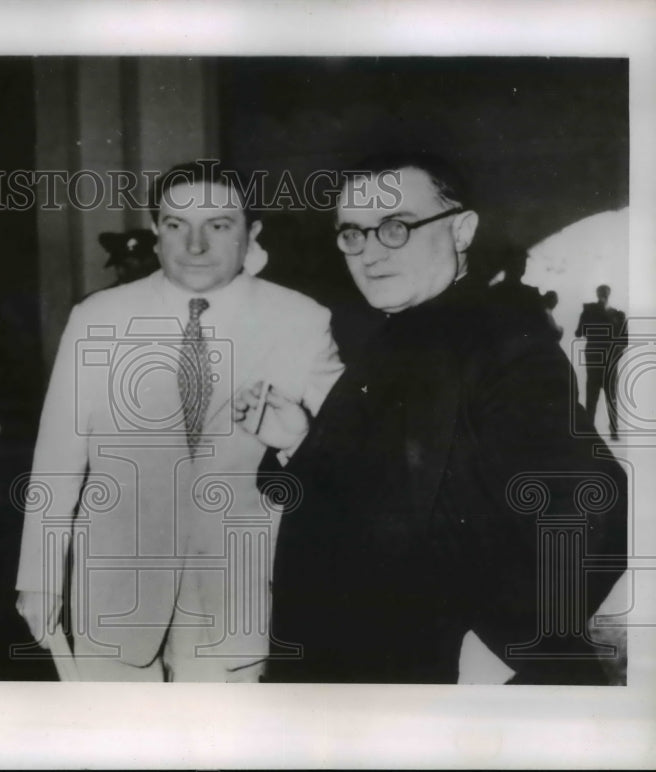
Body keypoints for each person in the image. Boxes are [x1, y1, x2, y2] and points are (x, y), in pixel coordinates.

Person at [236, 152, 627, 684]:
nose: (370, 252)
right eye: (352, 233)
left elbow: (594, 501)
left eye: (394, 227)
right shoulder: (404, 332)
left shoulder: (500, 338)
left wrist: (504, 651)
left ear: (462, 230)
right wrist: (300, 443)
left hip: (436, 687)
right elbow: (392, 503)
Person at [15, 161, 344, 681]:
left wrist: (293, 440)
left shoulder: (302, 320)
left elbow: (345, 461)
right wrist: (40, 577)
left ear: (252, 233)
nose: (195, 245)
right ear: (155, 232)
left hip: (237, 593)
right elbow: (57, 458)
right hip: (114, 591)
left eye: (218, 225)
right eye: (176, 225)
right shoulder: (98, 317)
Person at [576, 284, 627, 439]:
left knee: (596, 396)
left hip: (600, 358)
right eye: (602, 292)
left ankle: (600, 431)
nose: (602, 295)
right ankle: (610, 431)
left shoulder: (614, 314)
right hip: (604, 359)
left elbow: (580, 332)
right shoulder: (616, 315)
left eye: (603, 292)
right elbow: (580, 332)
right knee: (604, 396)